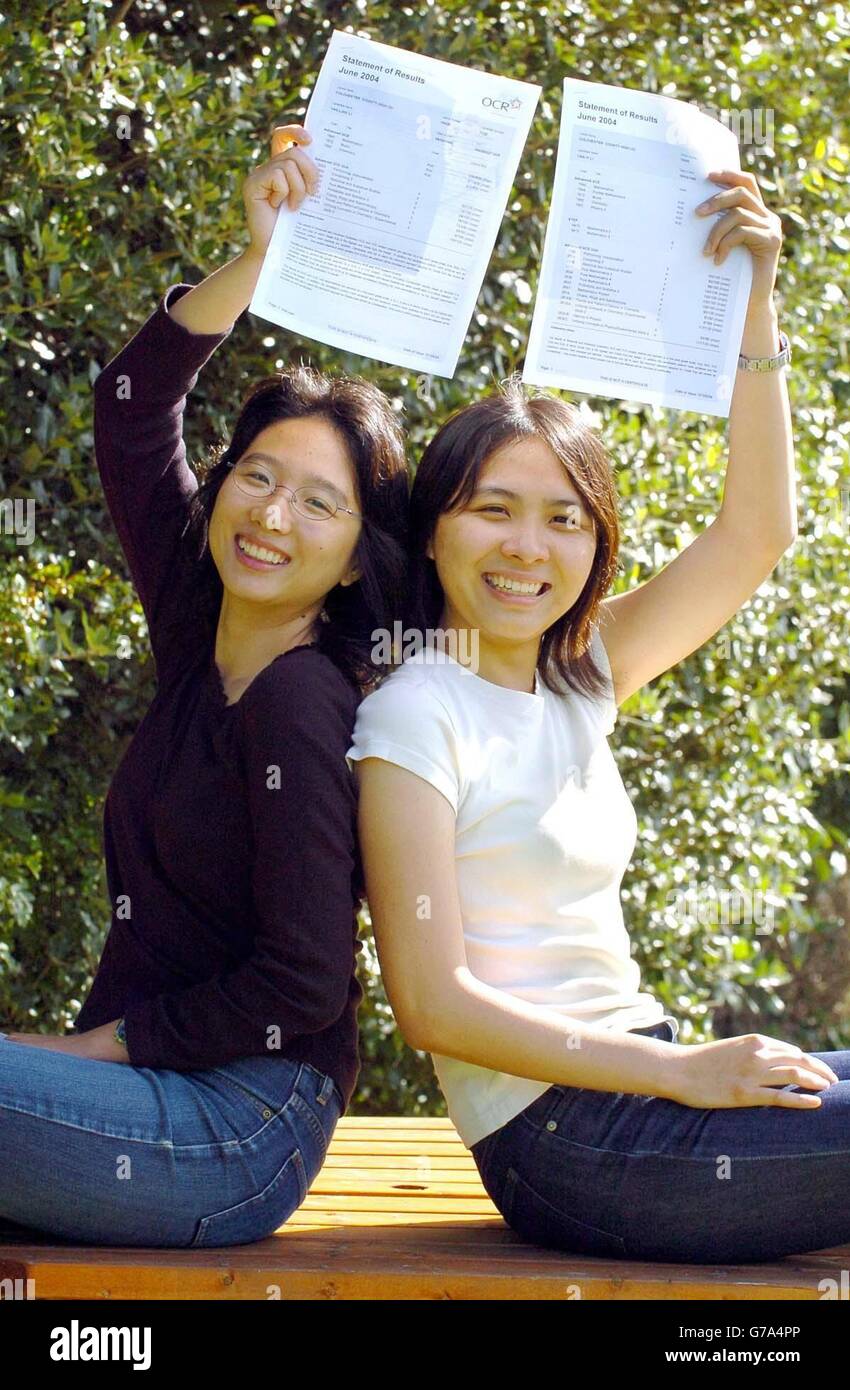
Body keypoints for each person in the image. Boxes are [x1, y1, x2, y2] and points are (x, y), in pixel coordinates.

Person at [347, 170, 850, 1265]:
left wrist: (754, 300)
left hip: (642, 1083)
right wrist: (680, 1071)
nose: (529, 546)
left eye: (563, 519)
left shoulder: (579, 675)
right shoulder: (412, 713)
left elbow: (756, 532)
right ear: (433, 532)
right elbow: (431, 1004)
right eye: (493, 510)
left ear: (594, 545)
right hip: (562, 1136)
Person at [0, 125, 409, 1249]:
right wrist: (259, 258)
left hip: (238, 1122)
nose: (272, 515)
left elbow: (305, 981)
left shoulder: (302, 698)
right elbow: (132, 406)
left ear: (359, 553)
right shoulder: (201, 623)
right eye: (257, 475)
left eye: (318, 503)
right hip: (152, 1099)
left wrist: (97, 1048)